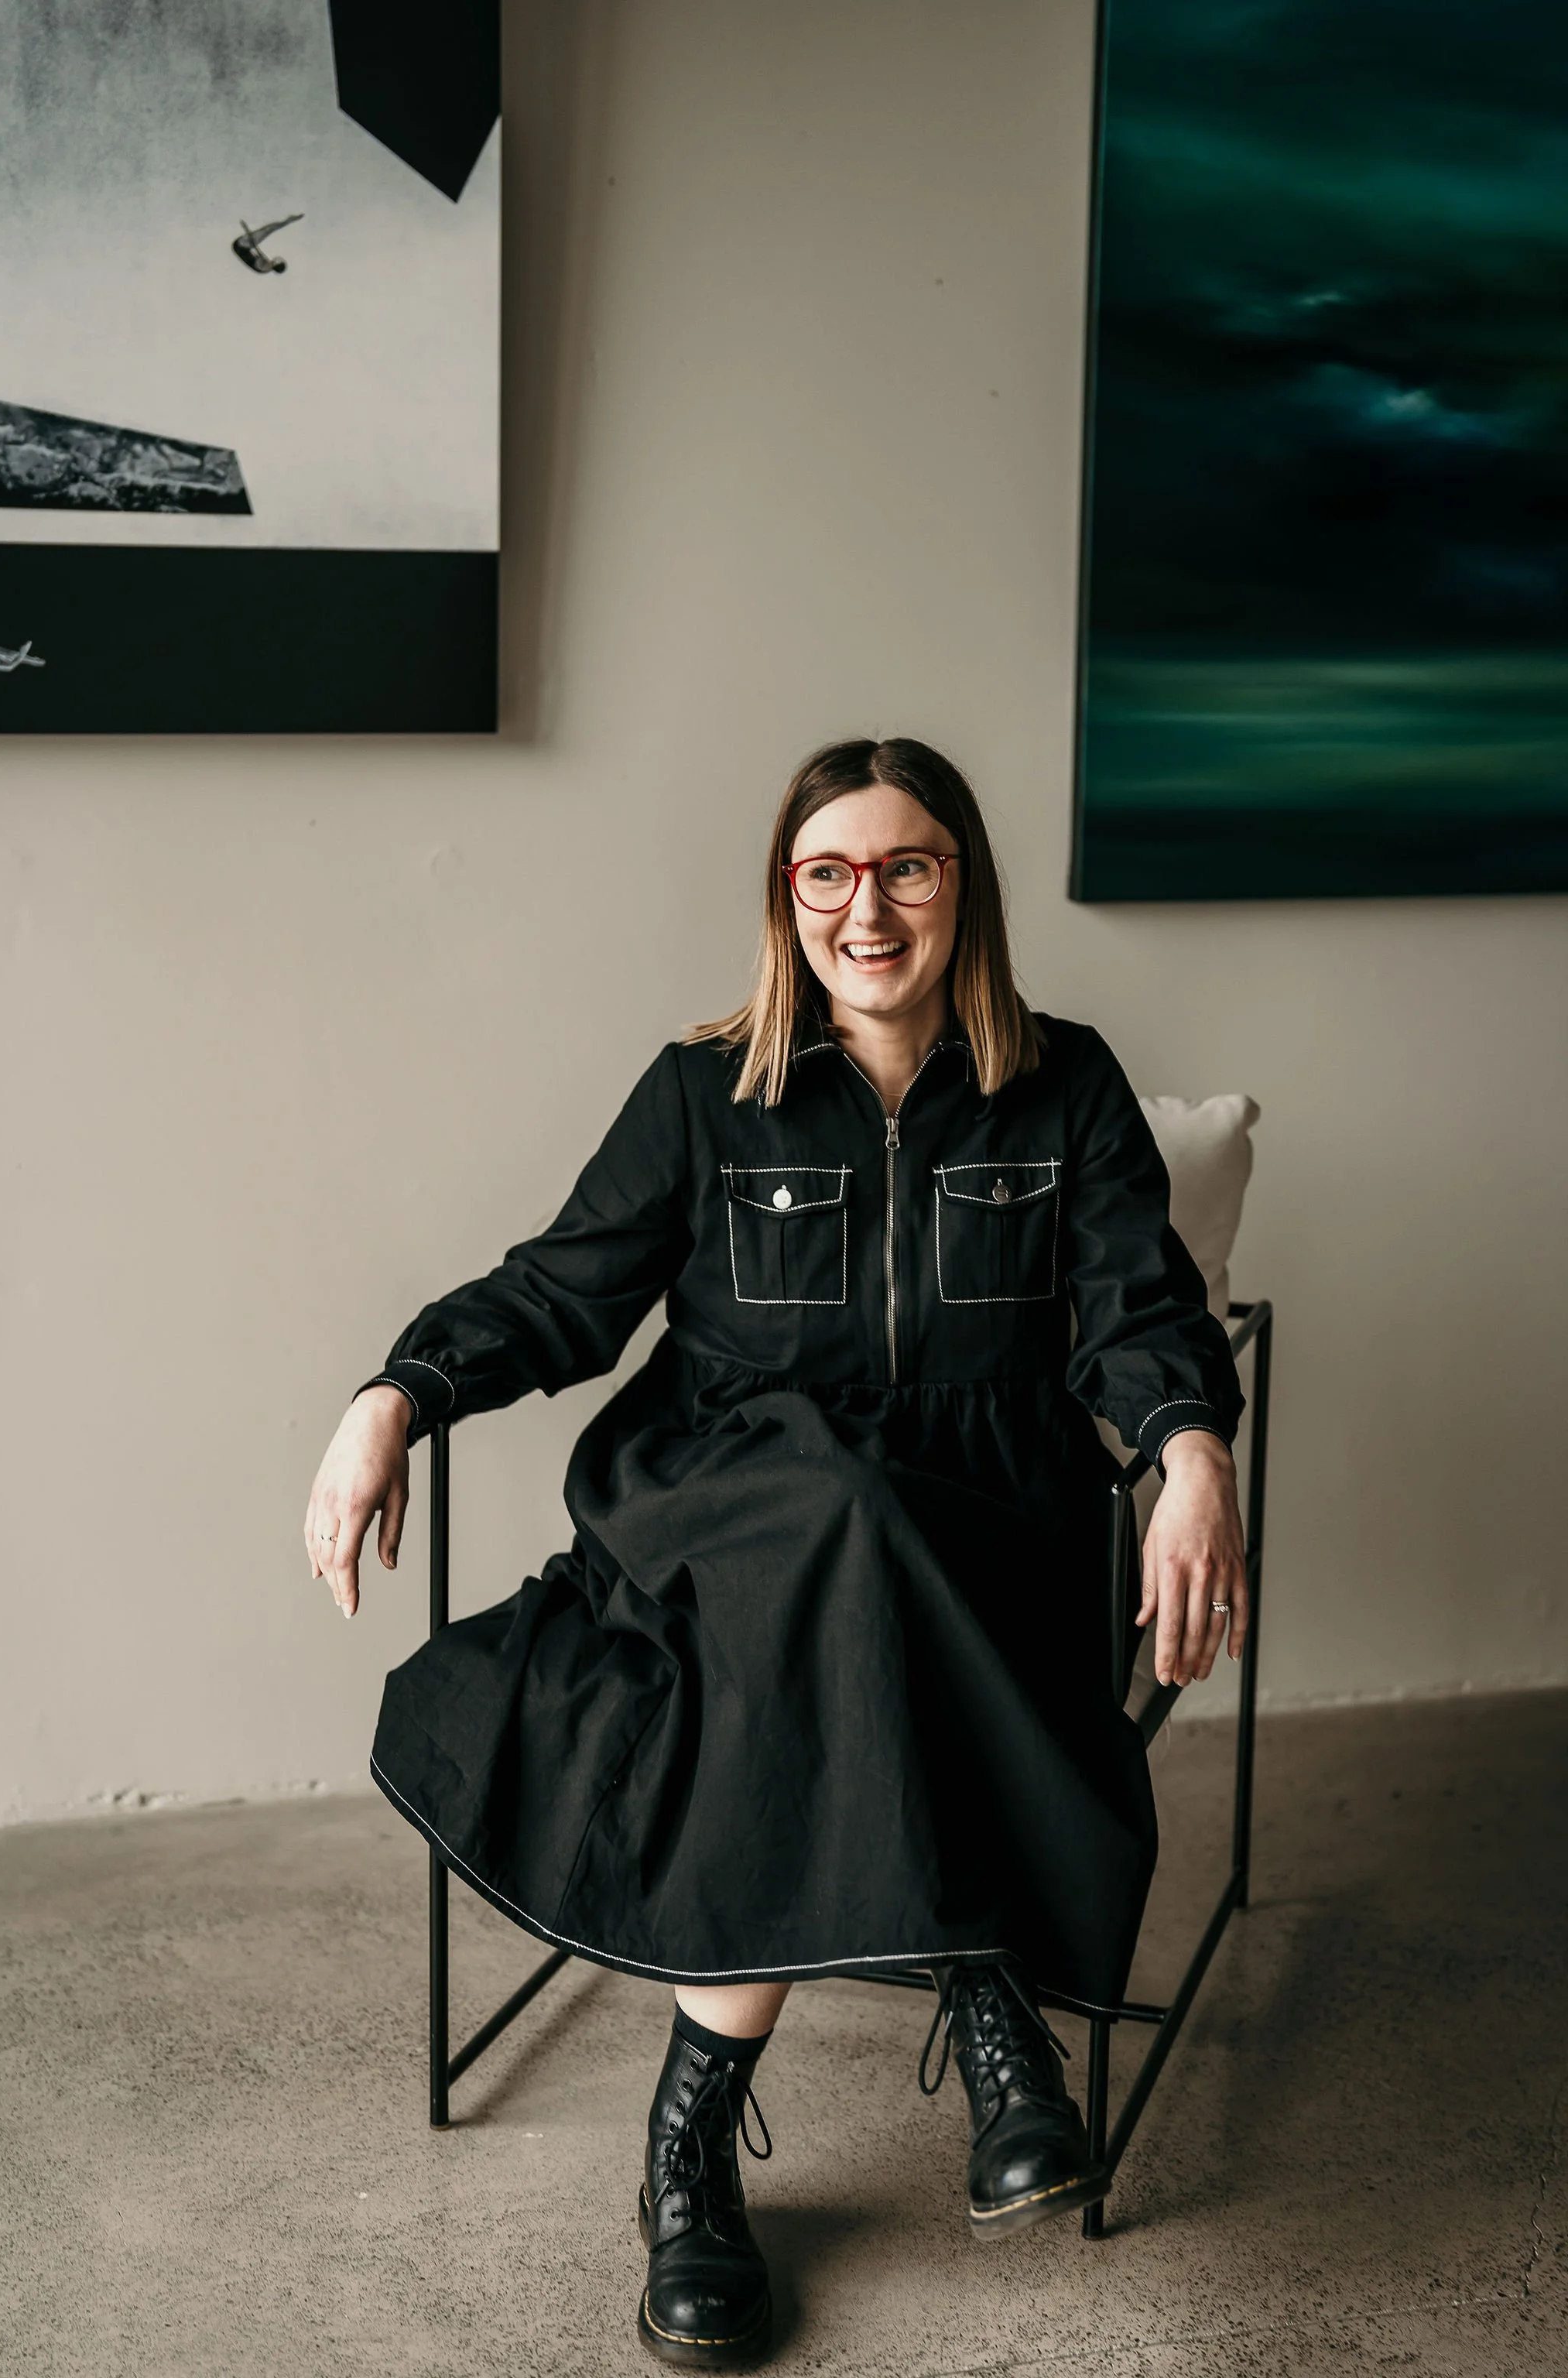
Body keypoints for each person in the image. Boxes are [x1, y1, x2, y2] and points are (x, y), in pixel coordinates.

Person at [305, 738, 1247, 2370]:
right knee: (829, 1512)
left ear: (964, 888)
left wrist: (1191, 1446)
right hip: (728, 1498)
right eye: (828, 871)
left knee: (861, 1551)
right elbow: (564, 1289)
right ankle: (982, 1992)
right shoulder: (704, 1087)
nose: (864, 907)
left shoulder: (1066, 1081)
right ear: (784, 896)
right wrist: (397, 1391)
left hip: (983, 1521)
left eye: (906, 867)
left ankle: (690, 2149)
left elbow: (1138, 1309)